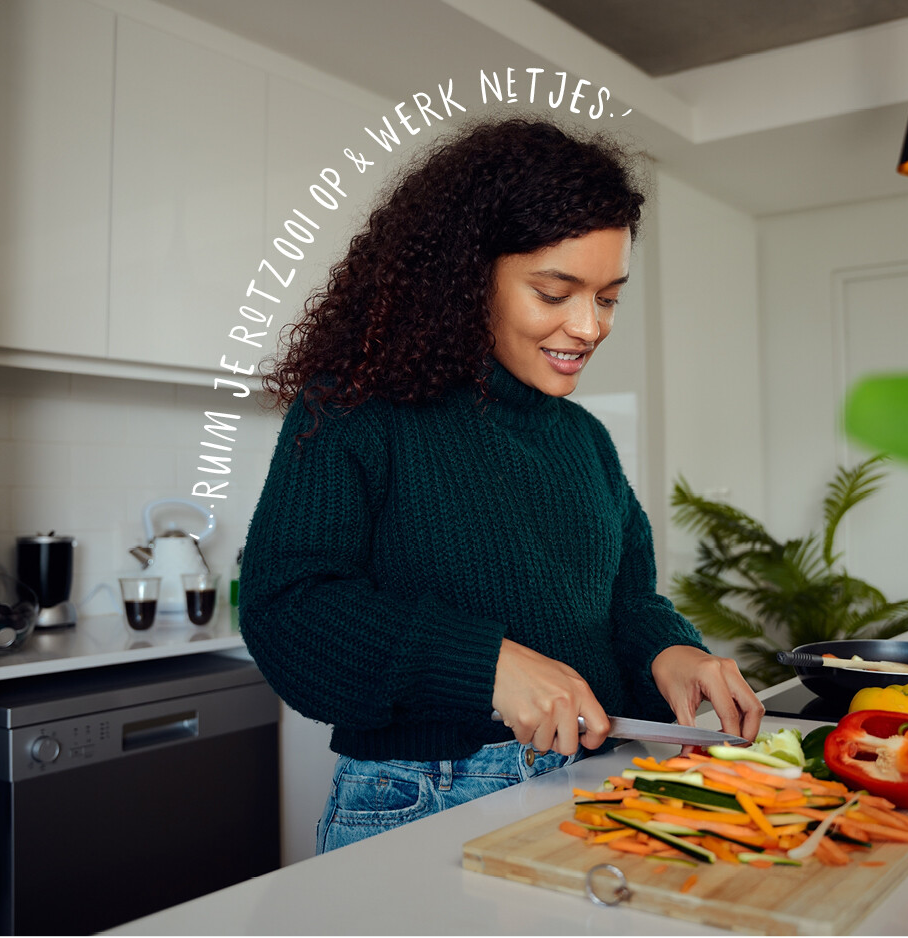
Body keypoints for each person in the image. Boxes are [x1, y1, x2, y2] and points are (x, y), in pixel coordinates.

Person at [239, 117, 763, 854]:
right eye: (555, 293)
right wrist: (485, 665)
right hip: (423, 800)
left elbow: (625, 601)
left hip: (593, 787)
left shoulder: (584, 440)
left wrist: (667, 653)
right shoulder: (356, 407)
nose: (588, 327)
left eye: (608, 297)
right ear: (463, 278)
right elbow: (287, 610)